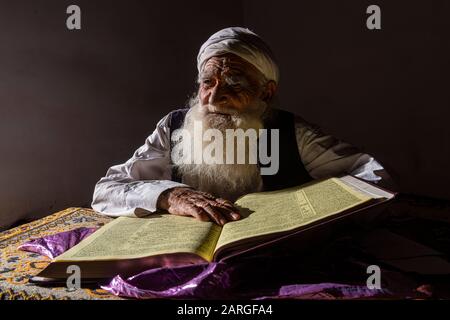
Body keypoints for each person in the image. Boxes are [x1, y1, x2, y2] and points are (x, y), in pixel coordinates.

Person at [91, 27, 391, 226]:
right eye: (208, 82)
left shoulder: (291, 133)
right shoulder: (175, 127)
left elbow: (376, 179)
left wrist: (307, 209)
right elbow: (107, 190)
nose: (214, 96)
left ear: (266, 92)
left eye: (234, 83)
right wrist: (169, 196)